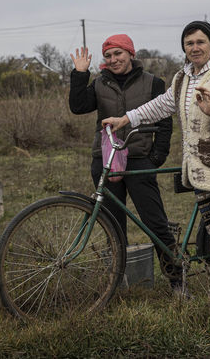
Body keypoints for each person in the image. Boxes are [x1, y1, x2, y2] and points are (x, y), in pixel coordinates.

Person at [102, 21, 210, 309]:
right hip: (200, 170)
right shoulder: (183, 78)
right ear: (183, 48)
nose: (194, 48)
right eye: (189, 43)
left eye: (200, 42)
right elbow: (160, 106)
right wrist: (125, 119)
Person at [69, 34, 181, 292]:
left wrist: (155, 158)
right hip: (105, 161)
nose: (113, 59)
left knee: (155, 223)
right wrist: (79, 74)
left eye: (118, 53)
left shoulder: (153, 82)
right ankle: (118, 283)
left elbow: (165, 123)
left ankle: (176, 279)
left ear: (131, 53)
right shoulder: (99, 83)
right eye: (108, 56)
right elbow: (77, 106)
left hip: (140, 160)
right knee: (113, 225)